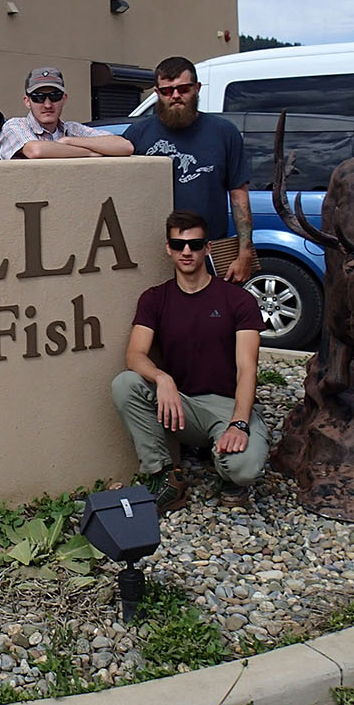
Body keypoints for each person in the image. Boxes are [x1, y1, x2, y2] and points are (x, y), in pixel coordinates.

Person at [111, 210, 268, 511]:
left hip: (227, 405)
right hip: (182, 406)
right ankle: (165, 479)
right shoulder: (155, 299)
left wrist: (238, 422)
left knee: (243, 468)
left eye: (195, 245)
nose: (187, 252)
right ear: (168, 248)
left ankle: (227, 470)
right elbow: (135, 354)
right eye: (179, 244)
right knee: (125, 384)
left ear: (207, 248)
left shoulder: (238, 301)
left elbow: (248, 368)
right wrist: (162, 378)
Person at [122, 56, 256, 282]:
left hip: (207, 254)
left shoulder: (224, 133)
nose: (175, 96)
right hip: (152, 258)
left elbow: (238, 194)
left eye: (183, 89)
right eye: (166, 91)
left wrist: (245, 253)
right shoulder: (137, 135)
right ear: (157, 92)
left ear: (197, 88)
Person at [0, 67, 133, 160]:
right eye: (39, 97)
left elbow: (125, 146)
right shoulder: (15, 126)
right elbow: (36, 151)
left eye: (55, 96)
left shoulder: (73, 129)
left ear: (64, 99)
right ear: (27, 101)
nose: (48, 104)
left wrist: (68, 141)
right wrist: (90, 153)